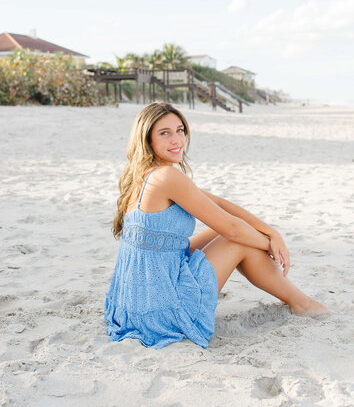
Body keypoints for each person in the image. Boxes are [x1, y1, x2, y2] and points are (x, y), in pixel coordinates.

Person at [104, 102, 328, 349]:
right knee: (237, 238)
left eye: (180, 130)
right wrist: (269, 244)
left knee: (228, 232)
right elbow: (232, 229)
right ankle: (302, 303)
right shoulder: (167, 177)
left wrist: (271, 232)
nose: (177, 139)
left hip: (133, 303)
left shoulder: (144, 173)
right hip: (161, 310)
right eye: (164, 133)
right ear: (147, 140)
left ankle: (298, 300)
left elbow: (218, 202)